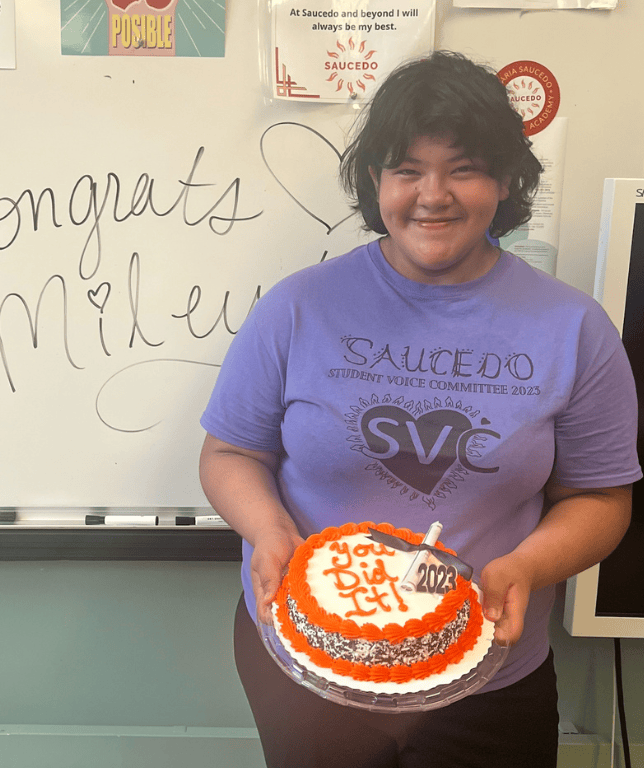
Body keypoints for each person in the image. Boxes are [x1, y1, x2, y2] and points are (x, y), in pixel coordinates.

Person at [199, 51, 641, 768]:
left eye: (463, 167)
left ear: (504, 180)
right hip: (312, 664)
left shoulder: (575, 329)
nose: (432, 194)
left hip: (490, 671)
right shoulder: (296, 308)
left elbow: (599, 496)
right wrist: (269, 529)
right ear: (377, 182)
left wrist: (525, 567)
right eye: (407, 169)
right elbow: (230, 454)